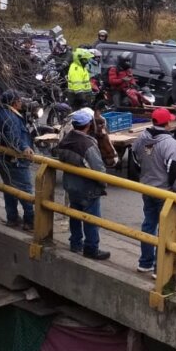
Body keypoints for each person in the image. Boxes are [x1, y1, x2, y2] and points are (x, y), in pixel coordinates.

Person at [131, 107, 176, 275]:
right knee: (166, 230)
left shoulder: (142, 137)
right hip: (164, 192)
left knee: (148, 224)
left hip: (147, 188)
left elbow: (135, 159)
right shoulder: (170, 144)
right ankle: (161, 269)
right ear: (168, 123)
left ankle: (145, 263)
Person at [57, 107, 110, 261]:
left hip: (71, 186)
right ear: (88, 125)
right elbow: (98, 169)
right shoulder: (88, 145)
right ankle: (91, 248)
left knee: (75, 215)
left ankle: (75, 243)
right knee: (92, 219)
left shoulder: (65, 140)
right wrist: (104, 184)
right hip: (88, 189)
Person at [0, 89, 35, 230]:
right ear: (14, 103)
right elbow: (13, 138)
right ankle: (30, 221)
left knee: (9, 187)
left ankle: (12, 218)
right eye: (19, 101)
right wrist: (24, 147)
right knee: (24, 190)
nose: (21, 103)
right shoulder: (11, 117)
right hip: (15, 160)